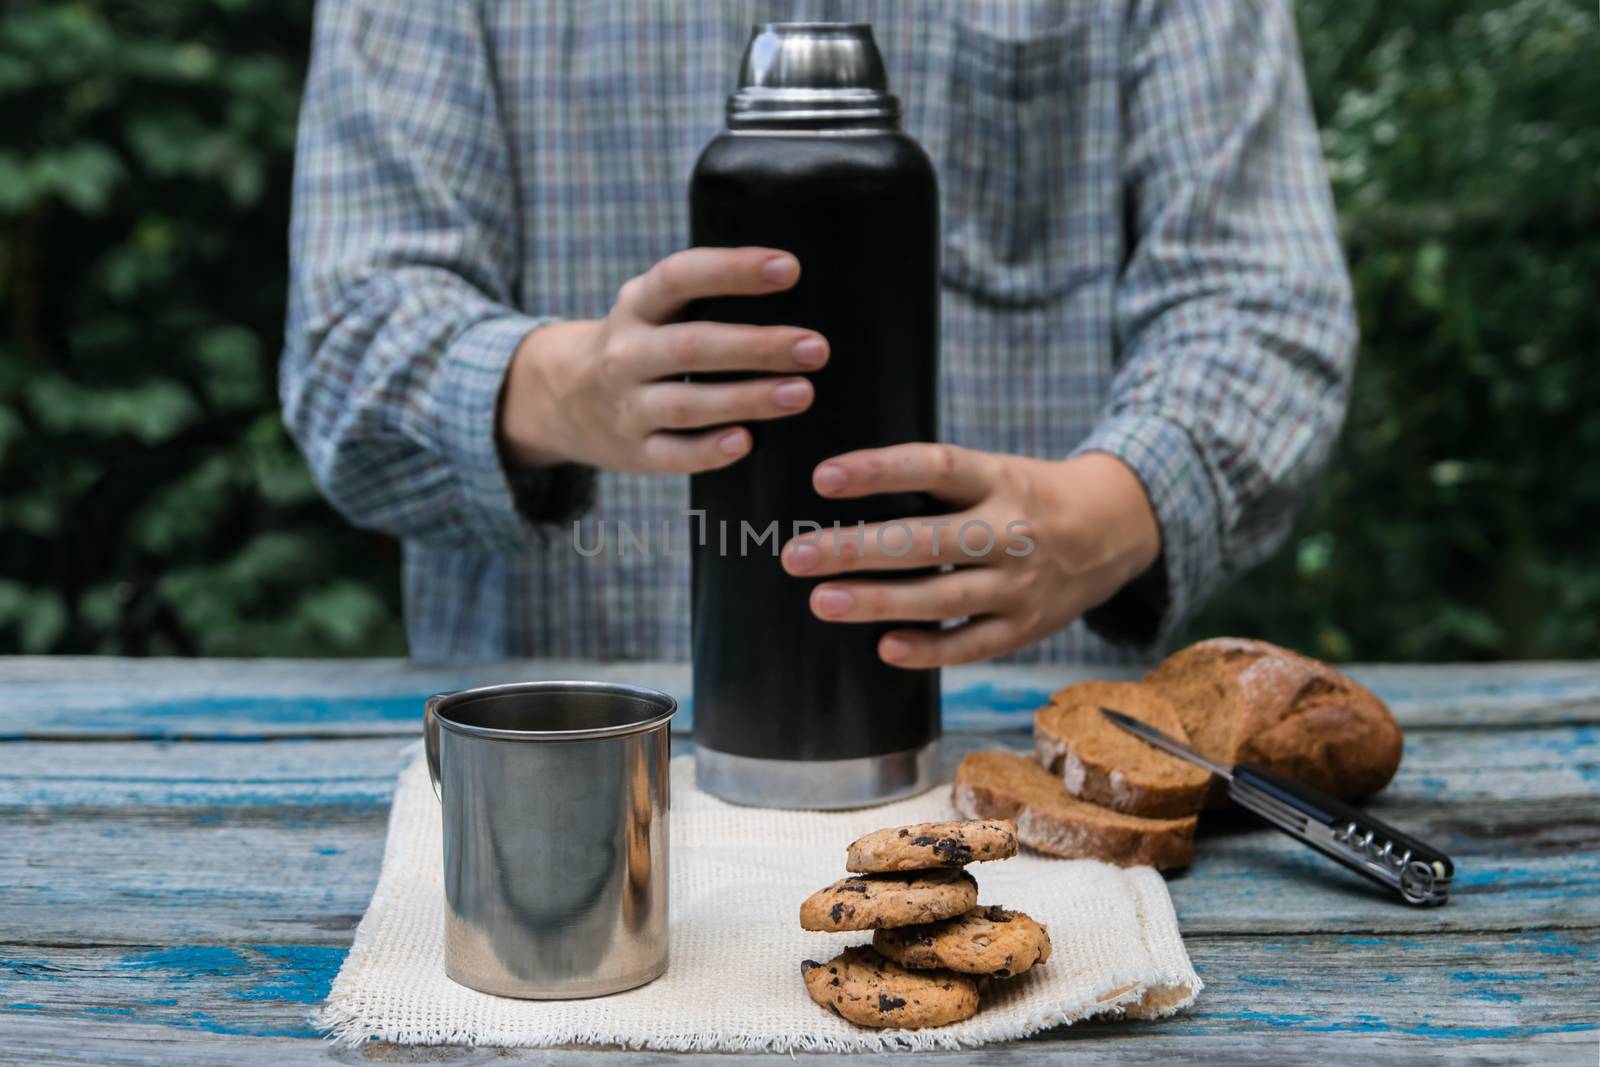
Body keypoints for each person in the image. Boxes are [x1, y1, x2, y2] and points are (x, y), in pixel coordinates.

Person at [282, 1, 1355, 666]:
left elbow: (1258, 299)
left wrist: (1109, 512)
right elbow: (347, 339)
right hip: (570, 801)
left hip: (1014, 784)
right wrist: (569, 388)